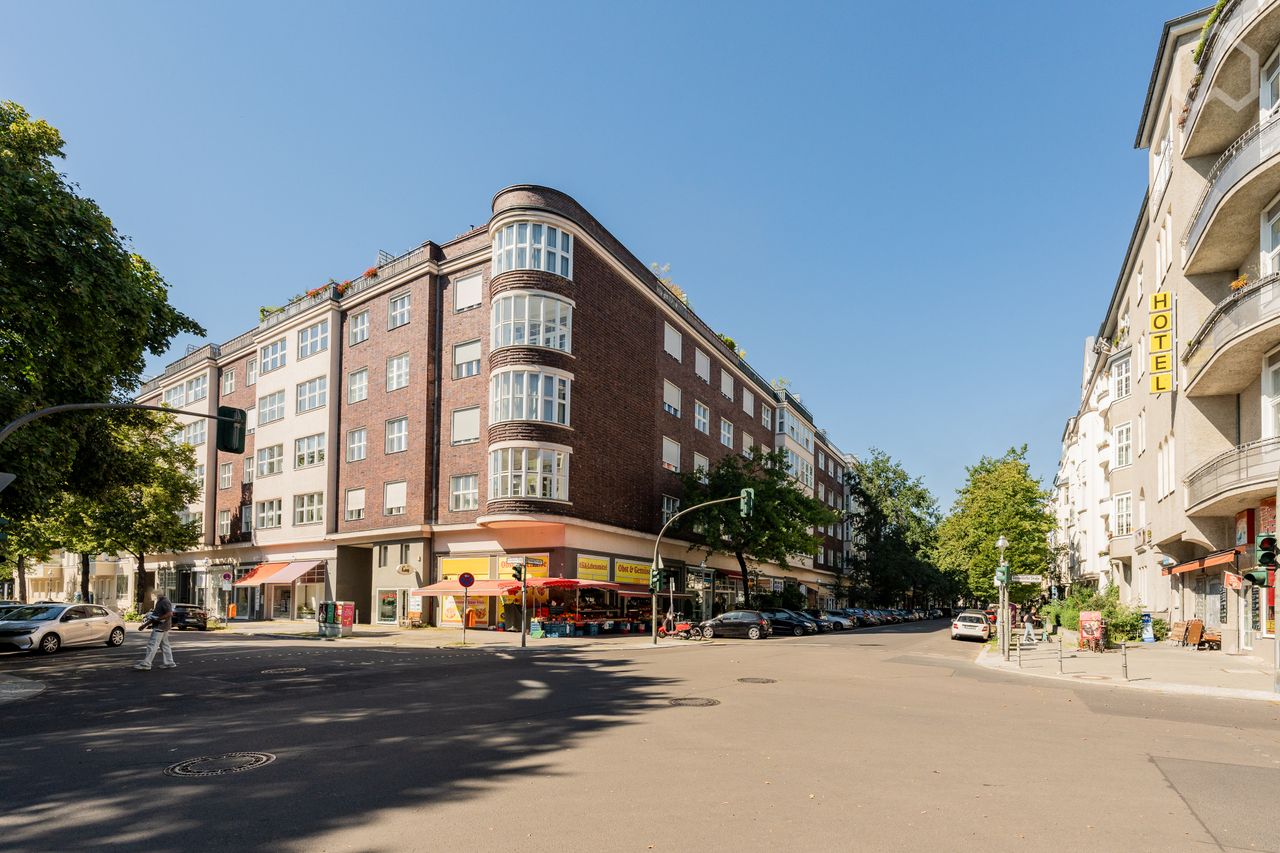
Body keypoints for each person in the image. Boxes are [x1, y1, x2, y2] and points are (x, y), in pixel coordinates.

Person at [134, 590, 177, 671]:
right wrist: (144, 625)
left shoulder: (164, 601)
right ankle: (169, 662)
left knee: (152, 645)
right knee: (165, 645)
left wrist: (158, 619)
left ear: (157, 595)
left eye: (153, 595)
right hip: (163, 627)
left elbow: (170, 614)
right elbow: (155, 616)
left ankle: (146, 664)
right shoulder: (160, 601)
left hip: (160, 627)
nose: (151, 596)